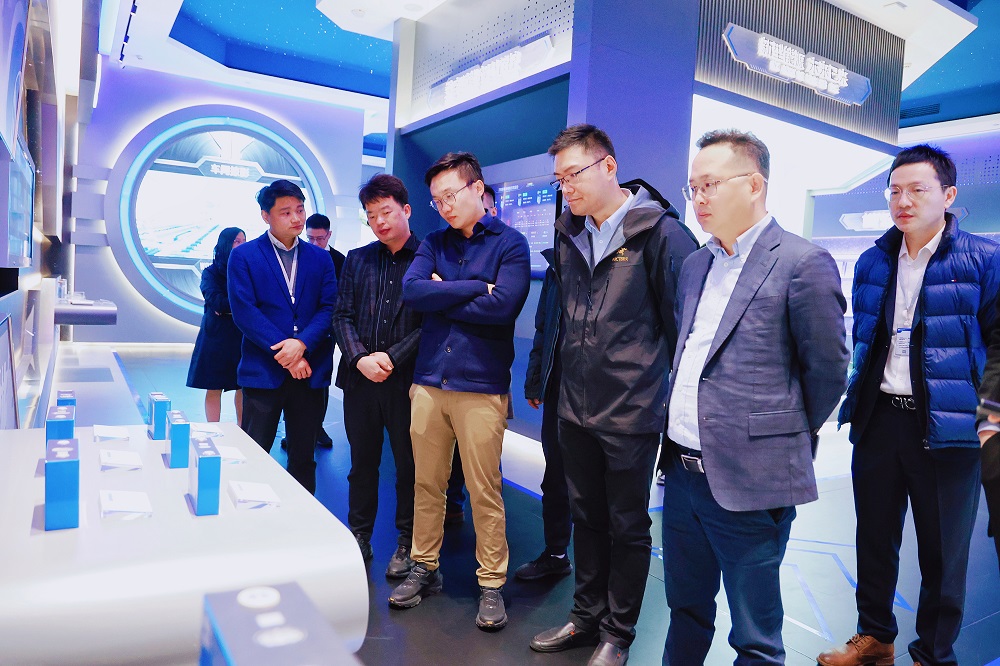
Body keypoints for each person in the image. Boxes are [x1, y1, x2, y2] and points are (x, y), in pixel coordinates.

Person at [663, 129, 848, 665]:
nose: (698, 198)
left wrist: (778, 435)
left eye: (711, 185)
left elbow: (828, 370)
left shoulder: (802, 261)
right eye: (693, 187)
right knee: (685, 609)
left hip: (752, 478)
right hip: (681, 472)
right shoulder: (696, 264)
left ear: (754, 185)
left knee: (755, 635)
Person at [821, 144, 1000, 666]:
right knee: (874, 538)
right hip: (878, 419)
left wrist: (988, 417)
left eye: (918, 189)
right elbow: (865, 340)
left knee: (943, 551)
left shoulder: (984, 259)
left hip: (949, 428)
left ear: (949, 195)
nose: (904, 201)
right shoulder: (874, 260)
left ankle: (933, 653)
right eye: (895, 190)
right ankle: (874, 636)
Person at [530, 124, 698, 666]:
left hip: (631, 411)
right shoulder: (569, 233)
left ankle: (618, 632)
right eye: (559, 179)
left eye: (573, 174)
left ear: (608, 165)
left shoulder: (662, 234)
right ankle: (585, 615)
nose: (566, 188)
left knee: (627, 524)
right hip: (574, 408)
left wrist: (665, 404)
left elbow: (684, 330)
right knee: (586, 517)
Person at [389, 152, 530, 632]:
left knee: (484, 489)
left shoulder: (511, 244)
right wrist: (475, 287)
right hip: (430, 382)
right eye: (437, 200)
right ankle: (424, 566)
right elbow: (413, 292)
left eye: (450, 195)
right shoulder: (433, 242)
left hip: (481, 387)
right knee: (426, 483)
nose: (444, 206)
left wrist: (444, 291)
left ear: (477, 189)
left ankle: (491, 583)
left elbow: (503, 307)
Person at [333, 174, 421, 579]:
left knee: (410, 467)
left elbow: (432, 323)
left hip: (407, 382)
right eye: (371, 215)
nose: (379, 222)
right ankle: (359, 534)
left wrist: (391, 357)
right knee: (362, 463)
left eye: (386, 211)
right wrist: (360, 358)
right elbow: (341, 315)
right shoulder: (358, 259)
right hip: (360, 381)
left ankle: (408, 541)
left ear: (406, 209)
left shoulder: (429, 258)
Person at [228, 179, 337, 494]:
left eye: (300, 210)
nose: (296, 218)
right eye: (286, 212)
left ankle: (302, 519)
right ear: (266, 216)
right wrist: (287, 354)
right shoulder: (245, 256)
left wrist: (301, 344)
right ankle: (252, 515)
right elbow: (245, 312)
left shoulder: (320, 258)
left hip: (309, 373)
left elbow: (329, 307)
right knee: (255, 454)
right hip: (263, 372)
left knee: (304, 458)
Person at [517, 245, 573, 581]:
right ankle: (556, 554)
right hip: (557, 388)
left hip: (604, 398)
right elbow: (544, 327)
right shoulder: (556, 268)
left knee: (600, 488)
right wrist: (535, 380)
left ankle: (607, 573)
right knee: (555, 478)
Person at [186, 227, 245, 423]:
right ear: (226, 244)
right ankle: (213, 429)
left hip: (241, 334)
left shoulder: (247, 271)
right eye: (237, 241)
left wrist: (230, 307)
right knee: (214, 386)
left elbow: (255, 301)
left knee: (242, 386)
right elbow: (217, 302)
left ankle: (243, 431)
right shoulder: (210, 272)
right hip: (216, 336)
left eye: (244, 241)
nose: (242, 245)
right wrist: (239, 305)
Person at [305, 212, 346, 279]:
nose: (315, 243)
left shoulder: (340, 260)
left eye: (320, 238)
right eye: (311, 238)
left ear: (329, 235)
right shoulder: (299, 254)